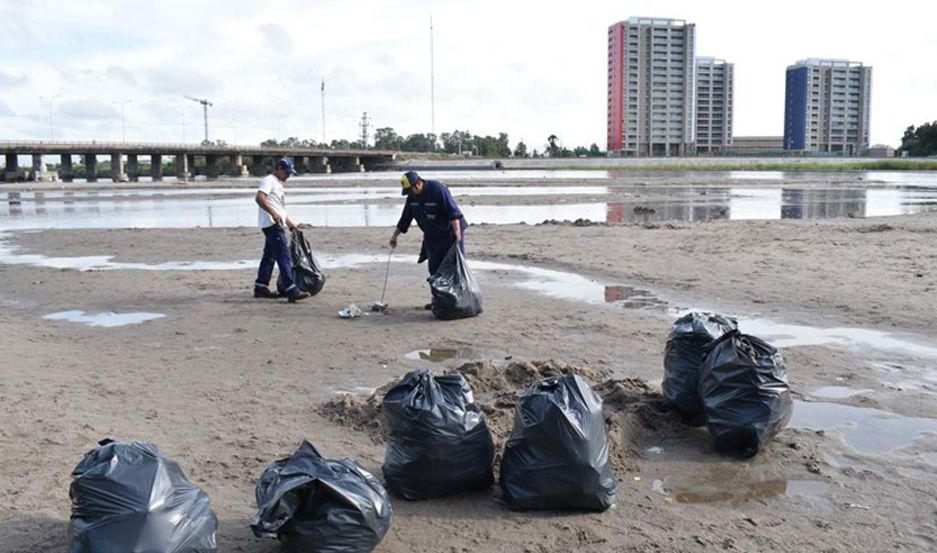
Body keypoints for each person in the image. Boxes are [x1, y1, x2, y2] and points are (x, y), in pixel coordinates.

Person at [389, 171, 468, 306]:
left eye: (412, 188)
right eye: (408, 191)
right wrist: (395, 236)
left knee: (455, 268)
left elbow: (453, 212)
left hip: (450, 234)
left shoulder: (437, 190)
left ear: (419, 183)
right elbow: (405, 218)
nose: (411, 192)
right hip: (432, 236)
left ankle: (459, 301)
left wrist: (457, 233)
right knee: (434, 268)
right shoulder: (412, 196)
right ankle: (439, 300)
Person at [253, 157, 310, 303]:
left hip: (274, 222)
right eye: (287, 172)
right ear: (278, 168)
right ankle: (291, 288)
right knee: (283, 255)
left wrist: (291, 224)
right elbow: (259, 198)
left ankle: (260, 286)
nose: (288, 176)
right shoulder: (269, 180)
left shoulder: (277, 184)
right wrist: (272, 213)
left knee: (269, 255)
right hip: (272, 224)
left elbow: (280, 208)